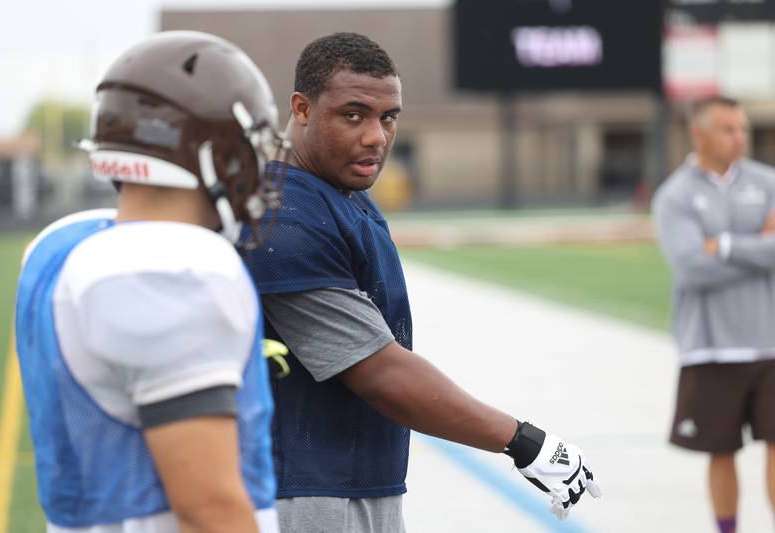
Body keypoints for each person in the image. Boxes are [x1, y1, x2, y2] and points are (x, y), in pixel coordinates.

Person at [241, 32, 601, 533]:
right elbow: (378, 372)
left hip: (355, 479)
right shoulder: (285, 216)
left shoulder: (339, 191)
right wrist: (523, 441)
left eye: (388, 117)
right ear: (301, 109)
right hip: (307, 491)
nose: (377, 136)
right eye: (353, 114)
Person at [14, 31, 288, 533]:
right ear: (211, 152)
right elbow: (207, 510)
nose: (260, 164)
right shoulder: (171, 269)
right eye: (252, 145)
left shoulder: (61, 244)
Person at [653, 95, 775, 533]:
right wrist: (758, 245)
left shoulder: (768, 183)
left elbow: (712, 255)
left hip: (770, 342)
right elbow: (690, 266)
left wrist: (721, 244)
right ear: (698, 133)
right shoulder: (675, 196)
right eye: (728, 129)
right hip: (709, 346)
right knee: (720, 451)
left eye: (742, 128)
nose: (739, 137)